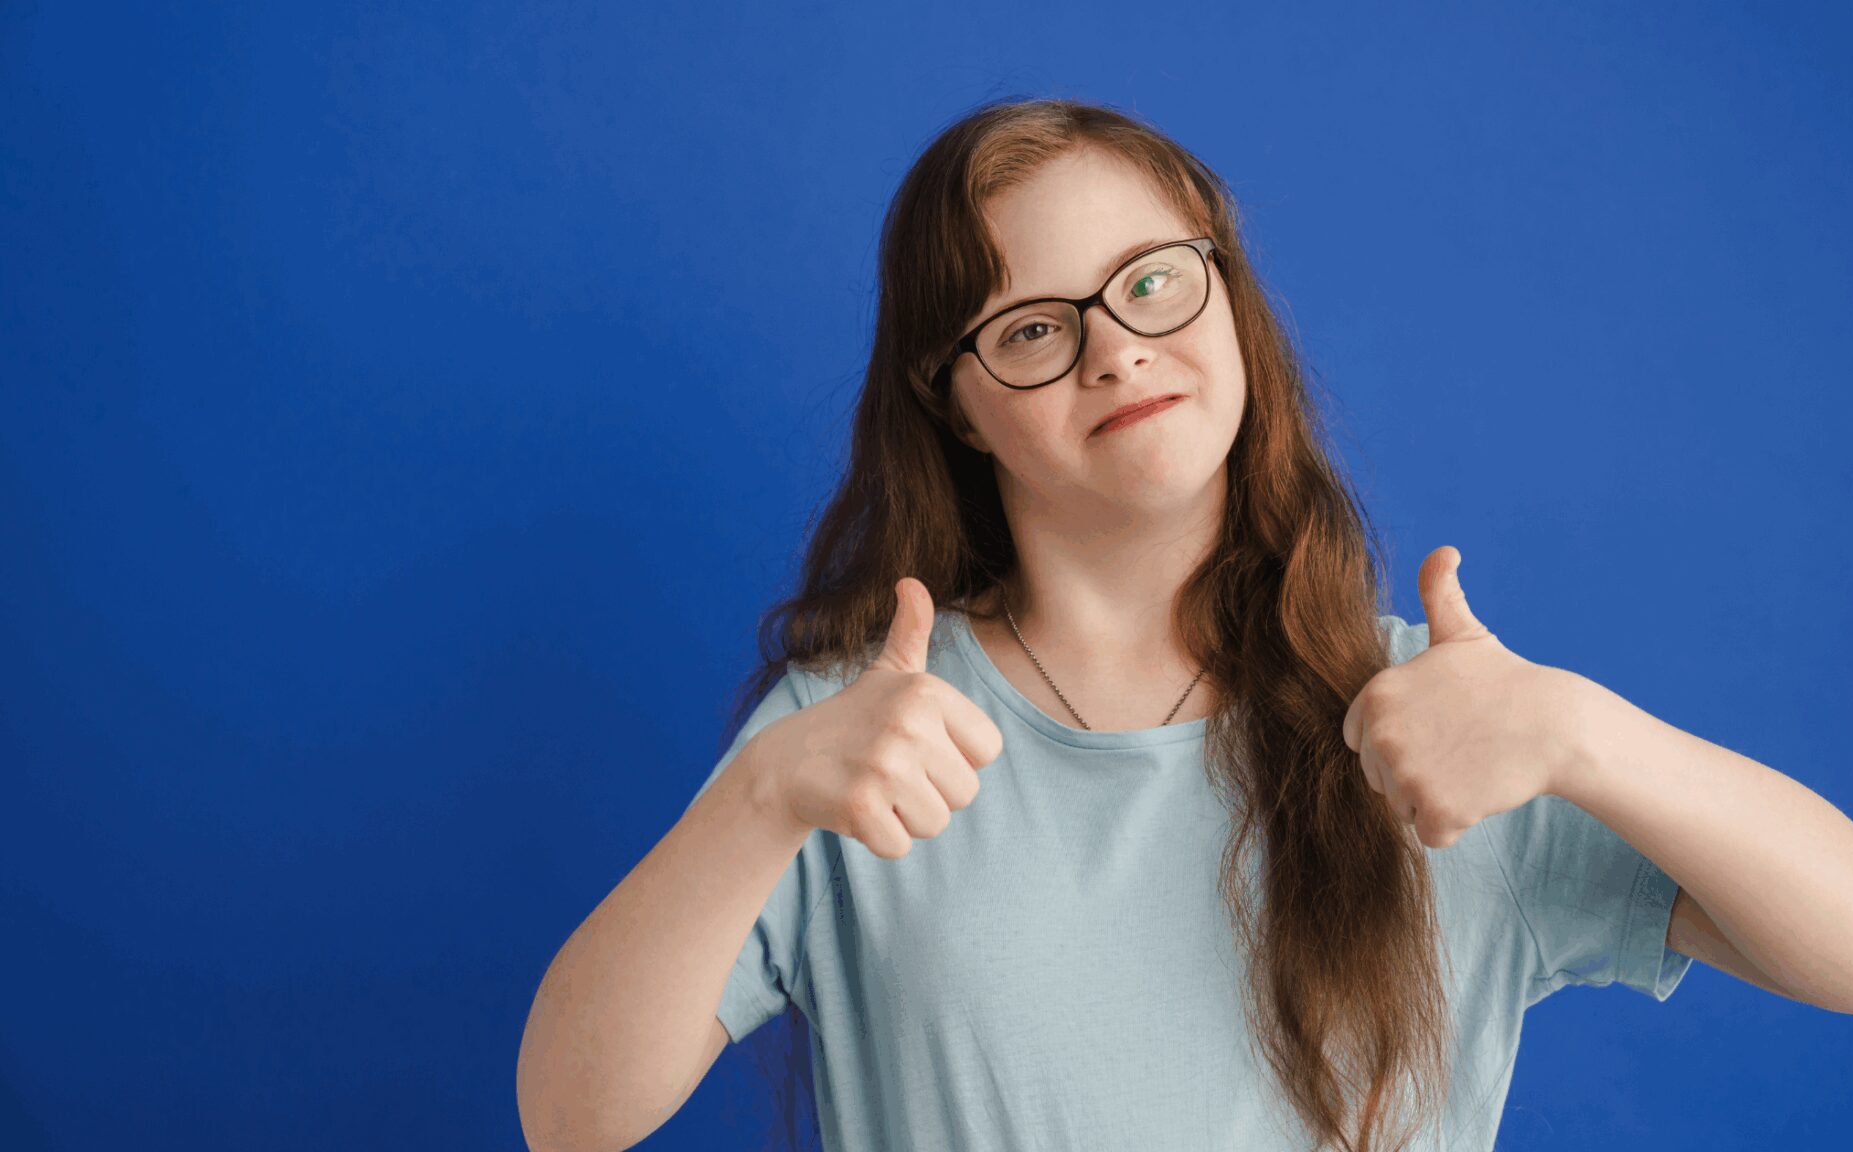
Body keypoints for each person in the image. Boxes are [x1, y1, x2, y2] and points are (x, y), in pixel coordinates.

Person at [516, 97, 1695, 1152]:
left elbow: (1826, 944)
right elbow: (568, 1119)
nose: (1118, 351)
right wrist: (759, 796)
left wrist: (1578, 733)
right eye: (1032, 328)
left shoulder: (1434, 723)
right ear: (956, 407)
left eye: (1150, 281)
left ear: (1227, 292)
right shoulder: (859, 739)